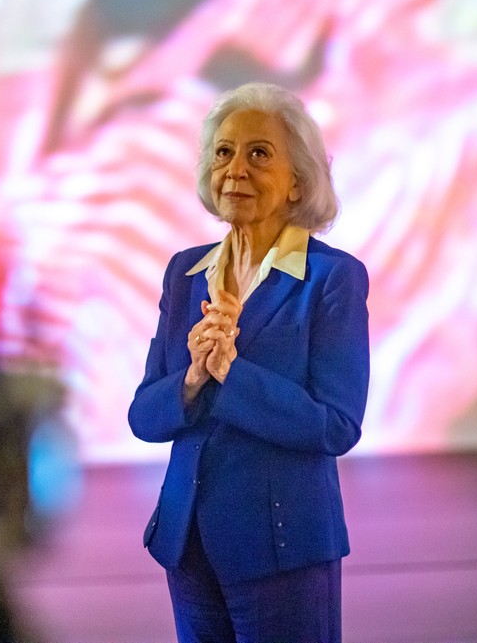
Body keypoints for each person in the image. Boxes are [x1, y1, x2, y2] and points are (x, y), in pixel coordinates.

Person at [128, 82, 369, 642]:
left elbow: (336, 424)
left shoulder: (333, 279)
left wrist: (232, 374)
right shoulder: (183, 273)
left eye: (259, 153)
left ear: (298, 181)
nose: (236, 168)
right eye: (223, 152)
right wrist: (190, 381)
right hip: (187, 545)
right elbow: (144, 416)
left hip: (283, 548)